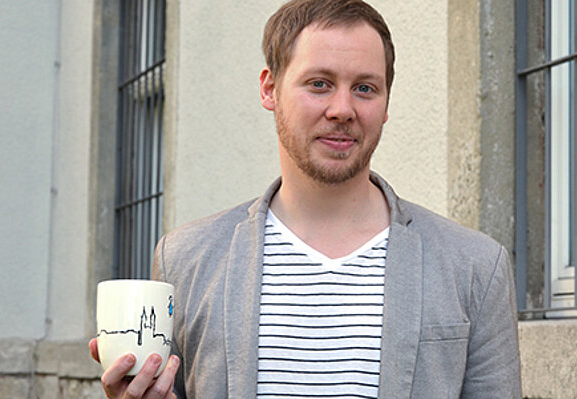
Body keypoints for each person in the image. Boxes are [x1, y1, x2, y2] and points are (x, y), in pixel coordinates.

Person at [89, 0, 521, 397]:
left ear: (386, 103)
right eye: (319, 83)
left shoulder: (475, 268)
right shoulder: (186, 260)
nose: (342, 109)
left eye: (365, 88)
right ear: (269, 90)